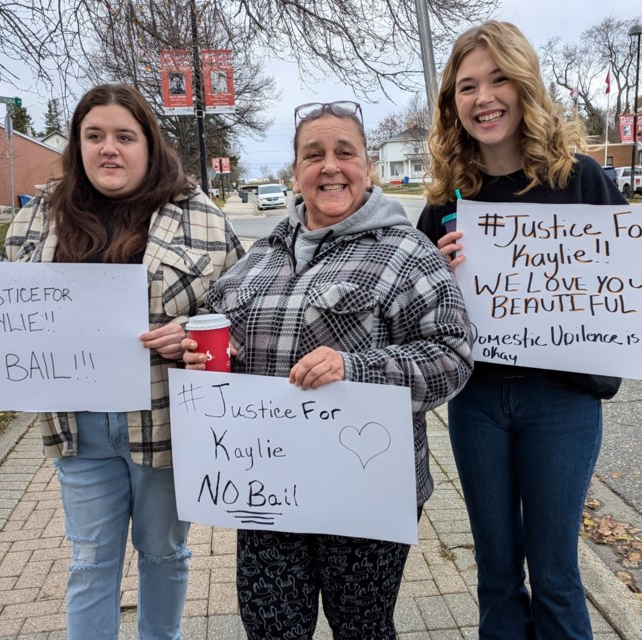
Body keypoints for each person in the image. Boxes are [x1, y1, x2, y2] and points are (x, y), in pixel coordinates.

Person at [416, 22, 642, 640]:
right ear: (451, 103)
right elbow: (416, 310)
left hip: (562, 401)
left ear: (525, 86)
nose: (484, 97)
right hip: (477, 400)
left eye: (498, 79)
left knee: (556, 575)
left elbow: (638, 282)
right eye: (467, 86)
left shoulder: (582, 179)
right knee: (494, 572)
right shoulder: (446, 197)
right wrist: (436, 272)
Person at [0, 84, 244, 640]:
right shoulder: (38, 220)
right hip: (77, 428)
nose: (110, 148)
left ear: (149, 145)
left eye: (125, 137)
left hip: (167, 423)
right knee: (89, 562)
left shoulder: (198, 215)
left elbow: (238, 315)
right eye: (95, 136)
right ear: (77, 145)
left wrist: (193, 340)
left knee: (164, 553)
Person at [182, 100, 474, 639]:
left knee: (361, 629)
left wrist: (355, 368)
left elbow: (452, 356)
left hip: (367, 491)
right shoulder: (262, 255)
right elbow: (222, 343)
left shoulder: (406, 252)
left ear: (367, 166)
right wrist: (199, 357)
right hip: (268, 488)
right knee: (272, 629)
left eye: (345, 152)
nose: (330, 166)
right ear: (296, 172)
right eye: (313, 154)